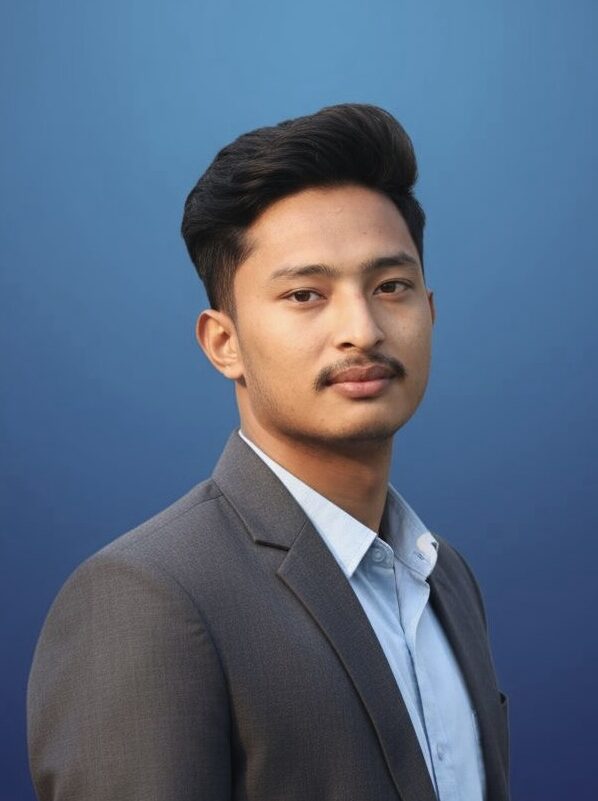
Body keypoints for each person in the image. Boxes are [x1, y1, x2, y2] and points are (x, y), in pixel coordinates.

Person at [27, 103, 510, 801]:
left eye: (391, 287)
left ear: (429, 312)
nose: (362, 328)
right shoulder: (148, 597)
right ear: (223, 342)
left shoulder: (447, 578)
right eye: (306, 294)